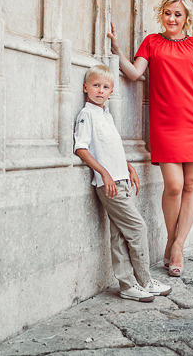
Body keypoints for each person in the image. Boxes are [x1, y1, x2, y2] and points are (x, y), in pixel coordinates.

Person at [108, 0, 193, 277]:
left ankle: (178, 247)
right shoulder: (151, 42)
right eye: (168, 13)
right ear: (162, 15)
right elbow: (134, 73)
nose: (172, 18)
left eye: (177, 14)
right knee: (174, 185)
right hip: (165, 123)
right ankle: (171, 239)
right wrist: (117, 50)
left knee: (191, 184)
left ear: (186, 18)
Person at [74, 64, 172, 301]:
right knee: (138, 227)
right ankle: (145, 281)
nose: (100, 90)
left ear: (111, 91)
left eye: (105, 87)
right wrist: (104, 173)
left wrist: (129, 168)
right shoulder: (87, 115)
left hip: (122, 179)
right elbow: (81, 148)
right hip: (109, 184)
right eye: (96, 85)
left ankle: (127, 286)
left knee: (119, 234)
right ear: (85, 88)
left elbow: (112, 149)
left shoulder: (106, 115)